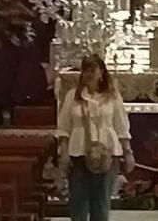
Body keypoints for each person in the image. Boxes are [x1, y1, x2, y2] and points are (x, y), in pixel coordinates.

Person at [57, 54, 135, 221]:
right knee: (78, 201)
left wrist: (128, 152)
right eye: (85, 70)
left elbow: (121, 126)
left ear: (101, 73)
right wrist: (63, 153)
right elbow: (64, 128)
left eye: (92, 70)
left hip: (107, 154)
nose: (89, 74)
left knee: (101, 201)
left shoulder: (112, 97)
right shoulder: (72, 96)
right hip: (79, 153)